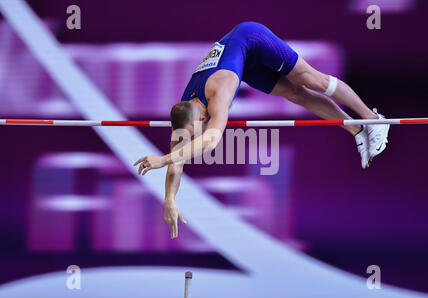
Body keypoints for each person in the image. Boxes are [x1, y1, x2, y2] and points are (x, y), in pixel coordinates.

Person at [134, 21, 389, 239]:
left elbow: (211, 141)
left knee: (313, 80)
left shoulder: (216, 94)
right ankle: (357, 131)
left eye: (199, 127)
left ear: (201, 114)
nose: (200, 130)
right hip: (242, 62)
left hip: (251, 37)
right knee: (296, 94)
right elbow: (178, 157)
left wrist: (162, 159)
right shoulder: (184, 110)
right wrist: (169, 199)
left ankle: (374, 119)